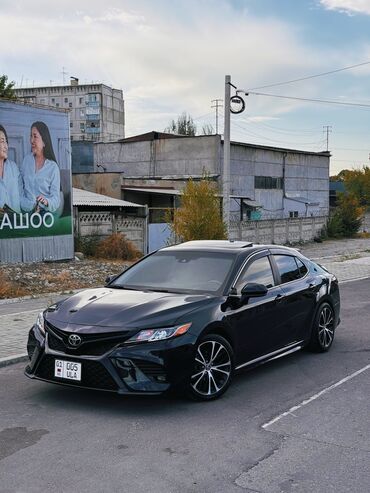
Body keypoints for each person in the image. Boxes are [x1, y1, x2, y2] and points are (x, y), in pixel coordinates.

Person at [21, 121, 61, 214]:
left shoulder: (53, 167)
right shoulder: (26, 161)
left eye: (35, 136)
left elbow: (56, 199)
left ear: (44, 142)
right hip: (26, 213)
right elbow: (20, 188)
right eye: (31, 136)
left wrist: (46, 201)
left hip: (45, 215)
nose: (31, 140)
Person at [0, 124, 22, 213]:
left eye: (6, 141)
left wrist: (34, 205)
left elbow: (21, 196)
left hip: (15, 224)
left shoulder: (13, 167)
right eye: (2, 141)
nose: (6, 146)